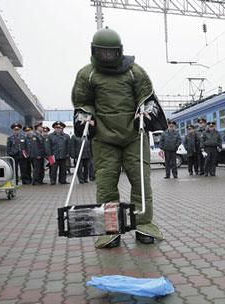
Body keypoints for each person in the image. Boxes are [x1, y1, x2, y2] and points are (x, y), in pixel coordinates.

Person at [71, 27, 167, 248]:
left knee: (140, 181)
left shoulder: (135, 72)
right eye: (102, 52)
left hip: (134, 134)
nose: (106, 57)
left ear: (119, 51)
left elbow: (147, 97)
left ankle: (143, 224)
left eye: (110, 52)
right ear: (94, 51)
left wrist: (145, 113)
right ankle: (110, 229)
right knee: (106, 183)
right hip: (104, 137)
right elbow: (83, 102)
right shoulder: (87, 74)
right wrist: (85, 117)